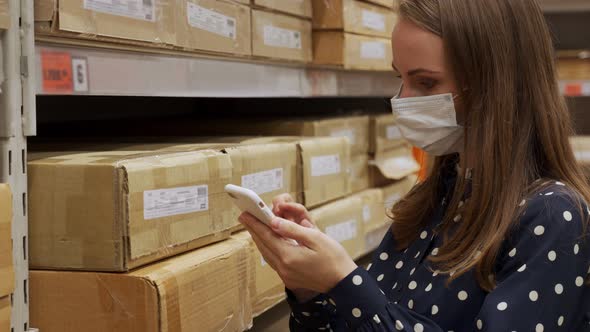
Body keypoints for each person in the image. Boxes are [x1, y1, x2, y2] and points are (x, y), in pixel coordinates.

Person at [238, 0, 590, 330]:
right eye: (399, 79)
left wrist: (344, 281)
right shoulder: (434, 198)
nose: (403, 101)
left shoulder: (551, 217)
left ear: (495, 84)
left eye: (426, 82)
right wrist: (311, 288)